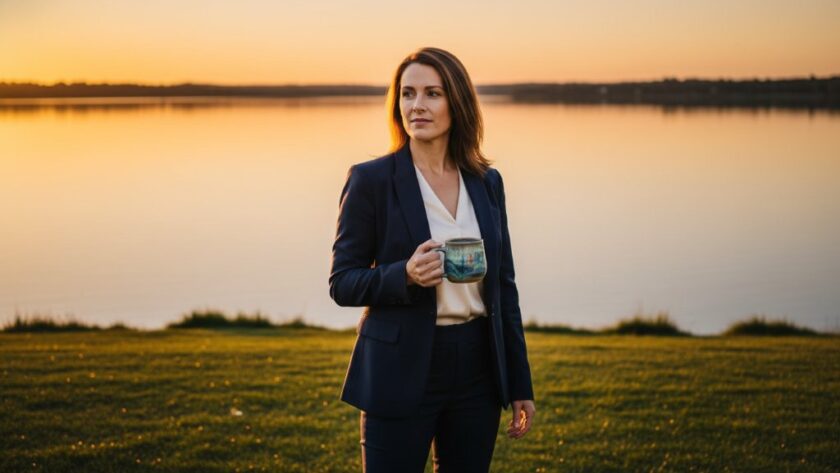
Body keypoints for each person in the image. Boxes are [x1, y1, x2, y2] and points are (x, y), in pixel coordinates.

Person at [329, 46, 535, 472]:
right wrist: (403, 274)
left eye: (432, 93)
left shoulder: (486, 182)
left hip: (478, 367)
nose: (417, 105)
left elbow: (504, 287)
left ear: (457, 102)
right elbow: (342, 282)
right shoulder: (370, 180)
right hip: (399, 366)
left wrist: (519, 382)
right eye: (407, 94)